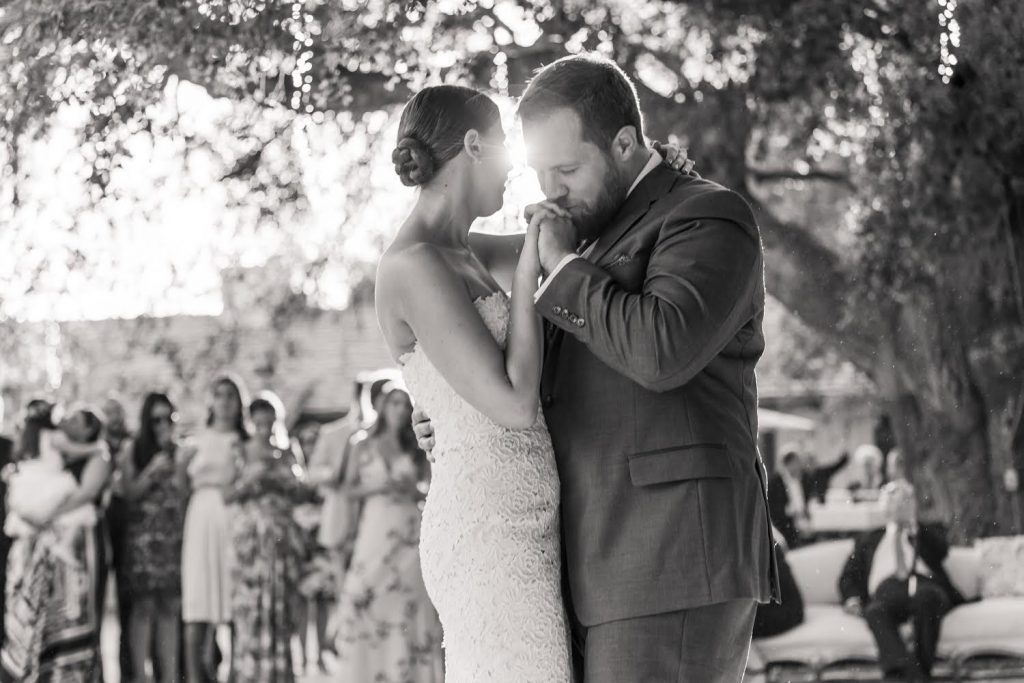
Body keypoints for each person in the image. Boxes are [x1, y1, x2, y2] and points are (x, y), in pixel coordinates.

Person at [383, 53, 775, 683]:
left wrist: (563, 267)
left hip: (669, 556)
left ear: (625, 143)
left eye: (566, 168)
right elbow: (450, 275)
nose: (550, 191)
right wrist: (452, 413)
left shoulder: (706, 215)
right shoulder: (583, 224)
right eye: (540, 172)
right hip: (573, 557)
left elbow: (660, 349)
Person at [334, 387, 443, 681]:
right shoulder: (362, 444)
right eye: (393, 402)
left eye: (403, 403)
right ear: (383, 407)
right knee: (366, 592)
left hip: (409, 529)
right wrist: (378, 488)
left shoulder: (415, 447)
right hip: (376, 528)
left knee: (410, 599)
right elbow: (347, 488)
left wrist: (411, 489)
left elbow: (429, 488)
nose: (398, 408)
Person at [2, 406, 111, 682]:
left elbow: (87, 493)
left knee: (76, 615)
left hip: (80, 546)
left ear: (90, 429)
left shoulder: (98, 456)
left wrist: (47, 515)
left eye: (76, 419)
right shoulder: (57, 453)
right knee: (46, 615)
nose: (67, 421)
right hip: (48, 546)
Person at [838, 482, 963, 682]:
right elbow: (848, 576)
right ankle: (914, 676)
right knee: (875, 611)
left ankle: (902, 677)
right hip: (886, 589)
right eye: (892, 503)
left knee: (927, 599)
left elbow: (942, 552)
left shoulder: (923, 531)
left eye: (903, 502)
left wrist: (913, 523)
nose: (897, 507)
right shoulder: (868, 538)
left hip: (925, 584)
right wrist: (852, 599)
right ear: (884, 508)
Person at [228, 395, 309, 683]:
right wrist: (252, 480)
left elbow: (303, 491)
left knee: (283, 606)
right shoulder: (240, 450)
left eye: (269, 422)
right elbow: (228, 495)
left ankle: (280, 672)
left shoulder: (288, 452)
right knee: (250, 607)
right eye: (258, 423)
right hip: (252, 540)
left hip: (282, 538)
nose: (264, 429)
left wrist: (285, 480)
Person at [180, 375, 247, 683]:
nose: (224, 401)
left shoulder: (245, 442)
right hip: (200, 517)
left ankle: (234, 674)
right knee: (198, 602)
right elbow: (180, 486)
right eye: (218, 395)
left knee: (234, 600)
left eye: (230, 395)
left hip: (234, 517)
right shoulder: (195, 440)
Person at [120, 393, 185, 682]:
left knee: (170, 606)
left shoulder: (181, 452)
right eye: (155, 419)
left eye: (167, 418)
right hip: (143, 538)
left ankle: (169, 676)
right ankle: (140, 676)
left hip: (172, 537)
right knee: (144, 606)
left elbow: (185, 494)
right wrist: (151, 471)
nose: (161, 424)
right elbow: (129, 494)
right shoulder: (132, 449)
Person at [101, 395, 135, 681]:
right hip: (100, 524)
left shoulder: (132, 443)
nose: (113, 418)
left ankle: (128, 672)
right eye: (107, 412)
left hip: (125, 521)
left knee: (128, 601)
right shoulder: (93, 446)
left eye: (117, 412)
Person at [768, 450, 809, 548]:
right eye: (796, 463)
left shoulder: (800, 480)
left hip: (799, 527)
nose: (799, 466)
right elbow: (773, 507)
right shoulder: (776, 482)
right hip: (783, 528)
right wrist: (790, 511)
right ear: (788, 464)